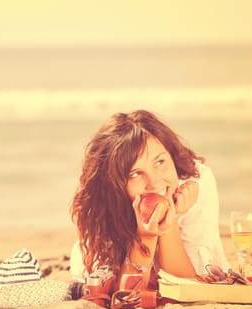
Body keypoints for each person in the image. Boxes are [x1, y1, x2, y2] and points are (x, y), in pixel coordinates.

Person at [69, 110, 230, 293]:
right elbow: (127, 296)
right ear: (115, 185)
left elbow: (186, 287)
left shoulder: (196, 184)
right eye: (135, 174)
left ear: (171, 156)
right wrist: (146, 236)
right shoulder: (106, 208)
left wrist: (169, 222)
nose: (154, 183)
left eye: (160, 162)